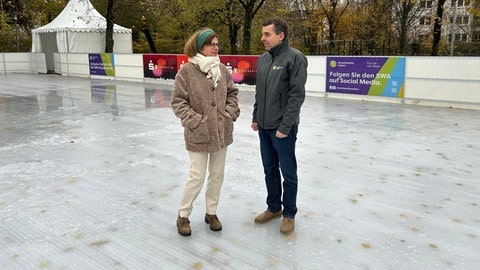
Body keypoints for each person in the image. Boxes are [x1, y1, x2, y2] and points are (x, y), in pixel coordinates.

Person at [171, 28, 240, 236]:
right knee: (197, 176)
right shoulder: (186, 71)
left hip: (221, 131)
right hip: (199, 133)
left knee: (217, 175)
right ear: (200, 46)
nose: (216, 47)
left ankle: (211, 213)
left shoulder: (222, 69)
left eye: (217, 44)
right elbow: (178, 102)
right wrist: (197, 121)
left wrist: (229, 113)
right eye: (211, 44)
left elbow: (232, 94)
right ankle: (183, 215)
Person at [251, 18, 307, 235]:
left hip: (283, 128)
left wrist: (285, 126)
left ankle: (289, 213)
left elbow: (296, 96)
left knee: (288, 172)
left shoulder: (295, 58)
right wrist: (256, 116)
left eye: (267, 34)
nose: (262, 38)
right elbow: (260, 92)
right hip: (264, 126)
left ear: (280, 35)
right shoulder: (263, 59)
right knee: (269, 169)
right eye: (262, 34)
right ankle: (274, 207)